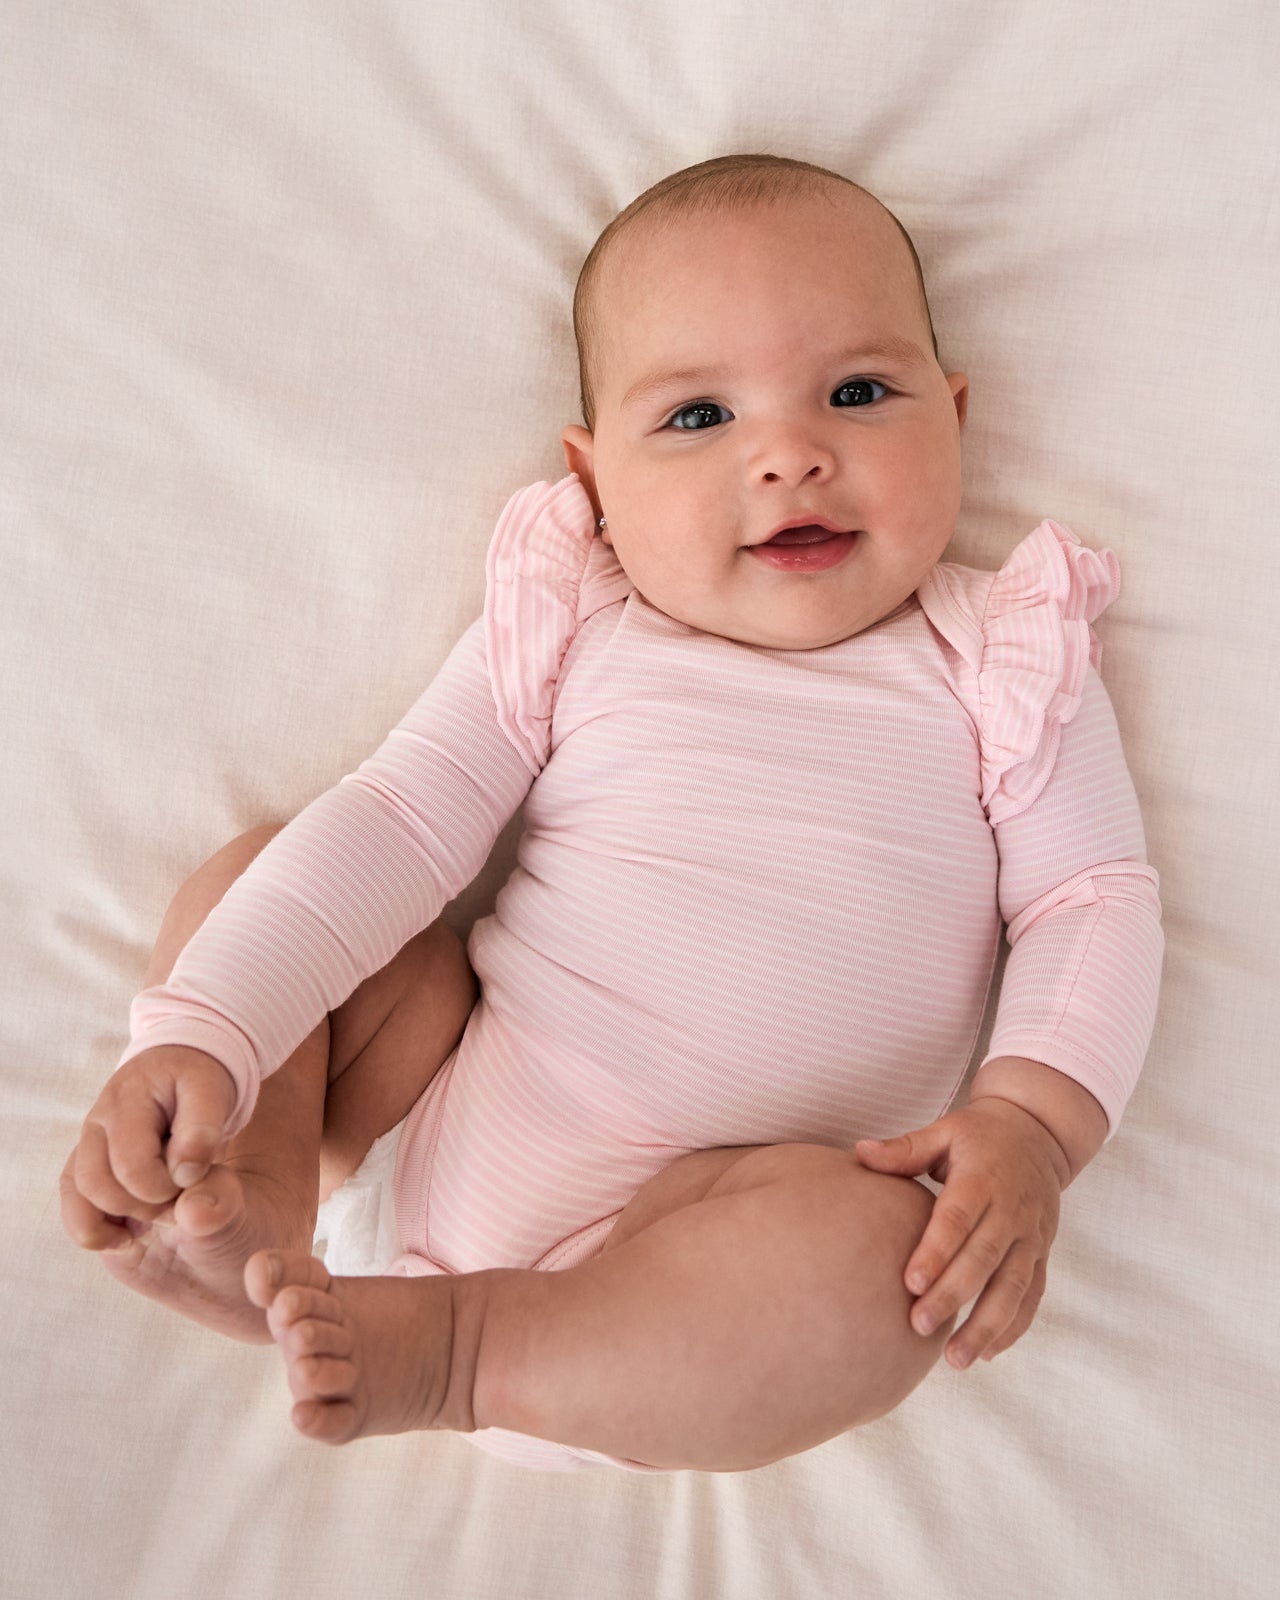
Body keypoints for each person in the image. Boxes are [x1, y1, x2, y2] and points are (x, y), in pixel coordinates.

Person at [60, 153, 1164, 1475]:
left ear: (956, 416)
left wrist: (1034, 1125)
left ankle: (460, 1351)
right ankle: (260, 1200)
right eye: (698, 418)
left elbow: (1088, 897)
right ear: (595, 477)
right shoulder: (576, 622)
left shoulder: (1003, 657)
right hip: (430, 1107)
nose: (790, 455)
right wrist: (210, 1030)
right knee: (269, 874)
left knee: (887, 1266)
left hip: (677, 1279)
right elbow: (405, 822)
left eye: (860, 394)